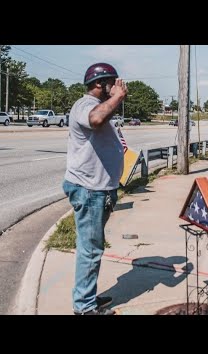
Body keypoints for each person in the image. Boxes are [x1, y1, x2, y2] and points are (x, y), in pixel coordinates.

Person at [62, 63, 128, 315]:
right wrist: (118, 97)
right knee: (90, 250)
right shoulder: (84, 105)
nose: (119, 85)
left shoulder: (97, 106)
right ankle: (84, 307)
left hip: (97, 189)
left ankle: (86, 296)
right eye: (113, 82)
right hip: (89, 190)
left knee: (93, 248)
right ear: (101, 84)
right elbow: (97, 119)